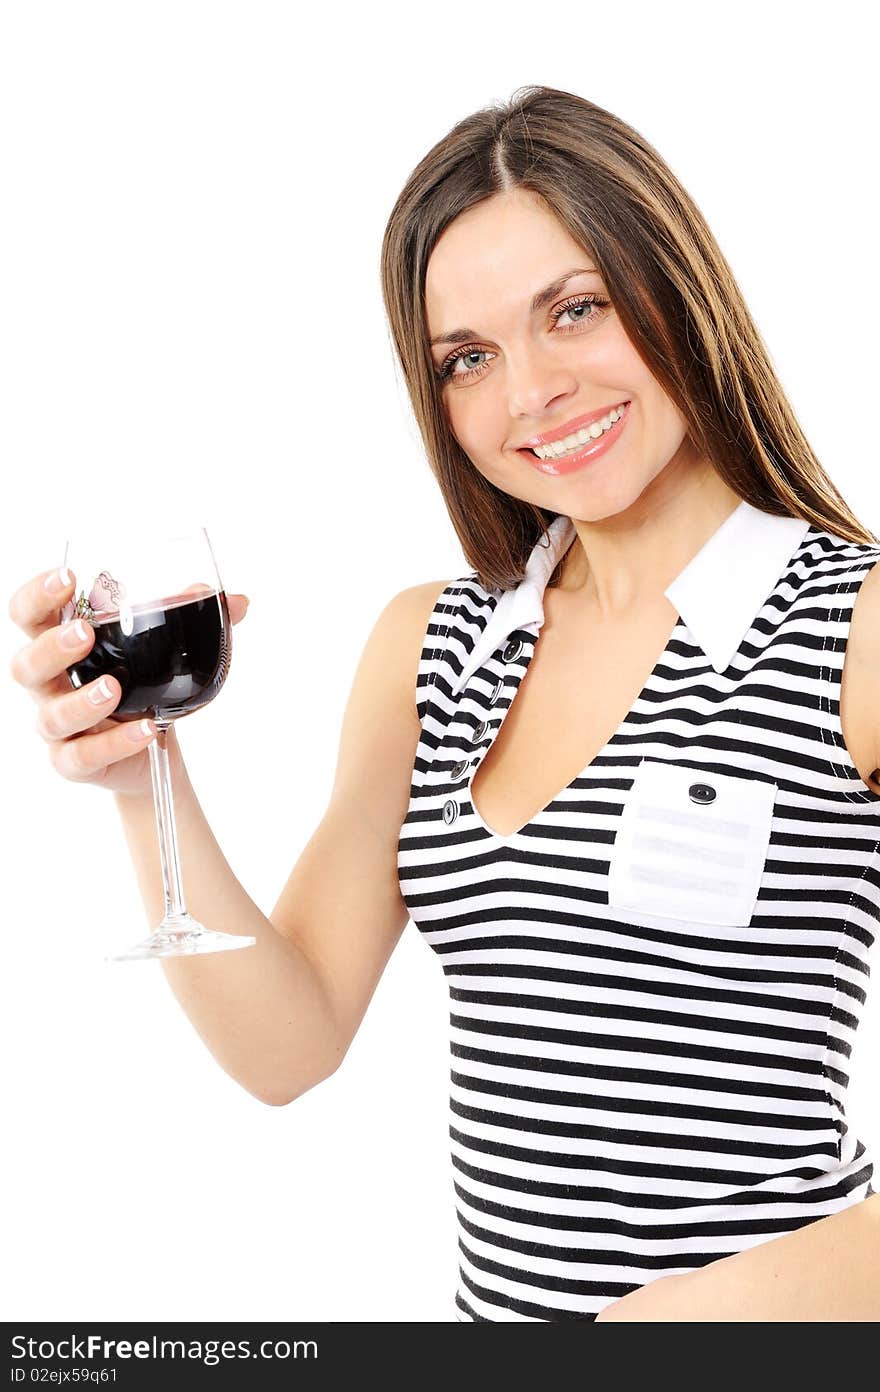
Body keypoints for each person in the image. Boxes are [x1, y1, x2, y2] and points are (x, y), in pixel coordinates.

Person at [9, 84, 880, 1323]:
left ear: (675, 290)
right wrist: (137, 775)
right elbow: (288, 1043)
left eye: (574, 311)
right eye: (467, 360)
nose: (529, 393)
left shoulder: (853, 630)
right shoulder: (437, 646)